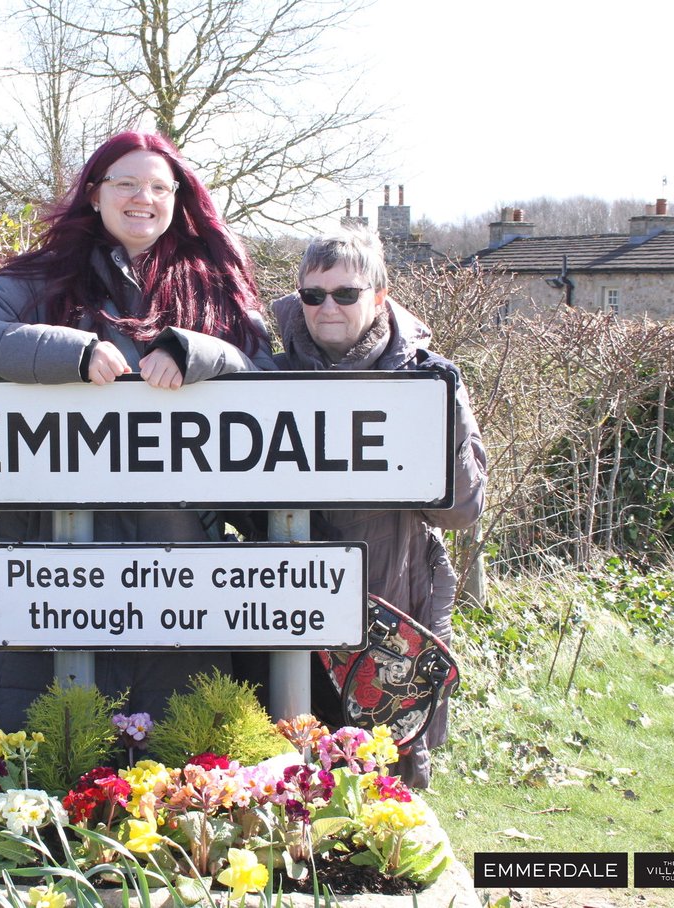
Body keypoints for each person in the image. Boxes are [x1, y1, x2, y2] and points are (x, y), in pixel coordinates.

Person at [0, 131, 275, 731]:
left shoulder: (211, 283)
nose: (144, 198)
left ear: (178, 198)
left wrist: (200, 352)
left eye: (160, 187)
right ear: (94, 193)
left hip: (185, 573)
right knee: (57, 775)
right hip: (57, 567)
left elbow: (268, 382)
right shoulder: (43, 280)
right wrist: (70, 352)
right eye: (127, 183)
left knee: (189, 783)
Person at [241, 223, 487, 788]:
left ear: (378, 296)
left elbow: (462, 511)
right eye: (313, 294)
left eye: (346, 294)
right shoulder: (267, 376)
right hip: (285, 612)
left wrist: (441, 417)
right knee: (286, 779)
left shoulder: (427, 378)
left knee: (380, 785)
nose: (328, 306)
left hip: (388, 609)